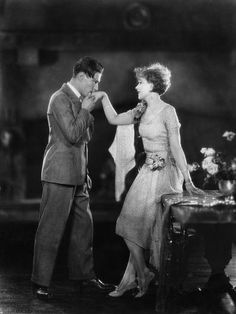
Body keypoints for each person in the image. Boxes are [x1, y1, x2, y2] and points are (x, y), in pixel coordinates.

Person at [92, 62, 203, 298]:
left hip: (166, 172)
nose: (136, 86)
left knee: (155, 227)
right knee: (126, 223)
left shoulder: (168, 111)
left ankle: (153, 279)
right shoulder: (140, 110)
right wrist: (103, 96)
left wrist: (189, 181)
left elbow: (177, 148)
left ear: (152, 84)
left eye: (140, 82)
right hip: (148, 171)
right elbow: (113, 119)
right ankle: (143, 273)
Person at [31, 56, 114, 300]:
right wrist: (86, 109)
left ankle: (84, 278)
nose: (96, 88)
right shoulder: (59, 98)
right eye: (94, 81)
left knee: (83, 229)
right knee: (51, 230)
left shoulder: (78, 100)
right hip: (58, 174)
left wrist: (85, 171)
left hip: (78, 175)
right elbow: (71, 135)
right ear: (81, 76)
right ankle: (40, 282)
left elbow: (84, 142)